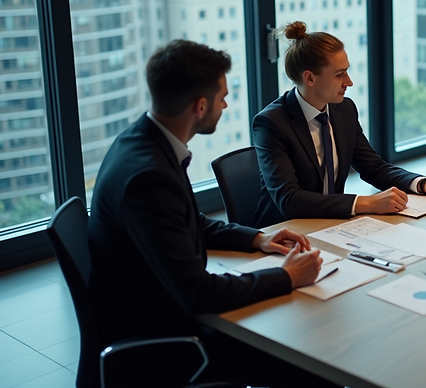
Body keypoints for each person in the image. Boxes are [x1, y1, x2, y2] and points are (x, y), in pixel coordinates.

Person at [87, 40, 323, 384]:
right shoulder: (149, 176)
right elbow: (198, 293)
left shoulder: (142, 141)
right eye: (222, 97)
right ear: (200, 106)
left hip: (160, 306)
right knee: (309, 358)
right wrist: (286, 277)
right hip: (167, 341)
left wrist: (258, 237)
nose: (226, 104)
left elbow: (189, 222)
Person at [252, 22, 426, 227]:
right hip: (285, 231)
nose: (349, 82)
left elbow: (374, 168)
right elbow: (289, 200)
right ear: (310, 78)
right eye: (339, 74)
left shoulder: (344, 109)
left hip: (332, 224)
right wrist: (365, 202)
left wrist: (422, 184)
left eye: (347, 72)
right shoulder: (271, 123)